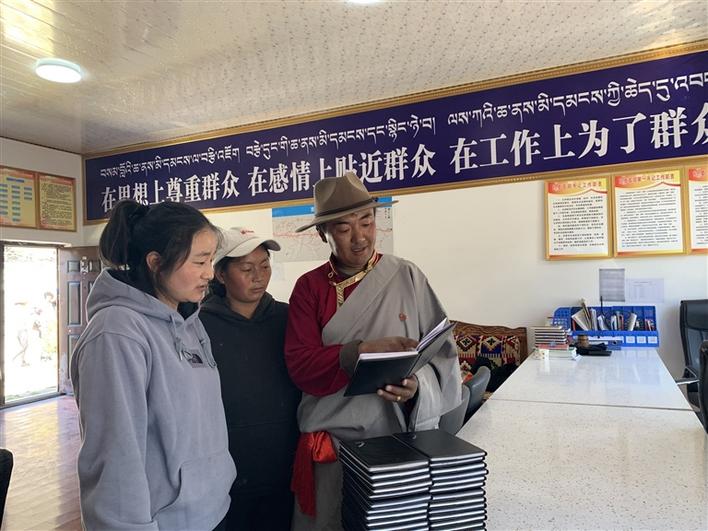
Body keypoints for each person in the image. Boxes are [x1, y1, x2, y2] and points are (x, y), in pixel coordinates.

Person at [285, 172, 462, 530]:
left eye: (366, 222)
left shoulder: (407, 276)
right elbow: (300, 366)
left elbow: (442, 355)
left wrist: (416, 387)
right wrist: (359, 351)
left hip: (396, 442)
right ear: (323, 234)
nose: (360, 236)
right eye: (343, 228)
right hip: (332, 445)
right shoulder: (309, 288)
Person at [70, 199, 236, 531]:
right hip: (166, 521)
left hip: (210, 511)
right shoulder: (117, 333)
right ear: (155, 262)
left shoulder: (188, 320)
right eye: (199, 261)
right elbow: (115, 456)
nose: (209, 273)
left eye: (211, 260)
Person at [200, 227, 301, 530]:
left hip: (283, 465)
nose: (258, 276)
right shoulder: (199, 326)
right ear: (220, 274)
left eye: (264, 266)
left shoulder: (289, 318)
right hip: (226, 471)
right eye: (246, 269)